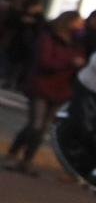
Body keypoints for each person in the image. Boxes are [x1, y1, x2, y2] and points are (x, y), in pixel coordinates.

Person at [6, 9, 86, 174]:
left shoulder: (76, 43)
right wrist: (70, 62)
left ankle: (24, 159)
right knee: (36, 124)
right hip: (42, 85)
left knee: (41, 127)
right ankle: (17, 156)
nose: (81, 25)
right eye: (78, 21)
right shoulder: (49, 38)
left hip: (60, 88)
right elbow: (45, 61)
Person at [3, 0, 45, 91]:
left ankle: (19, 83)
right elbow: (9, 23)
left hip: (30, 44)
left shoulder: (39, 17)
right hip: (17, 42)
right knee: (12, 63)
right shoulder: (19, 14)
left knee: (24, 65)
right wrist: (22, 21)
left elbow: (41, 30)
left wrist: (33, 23)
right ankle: (8, 80)